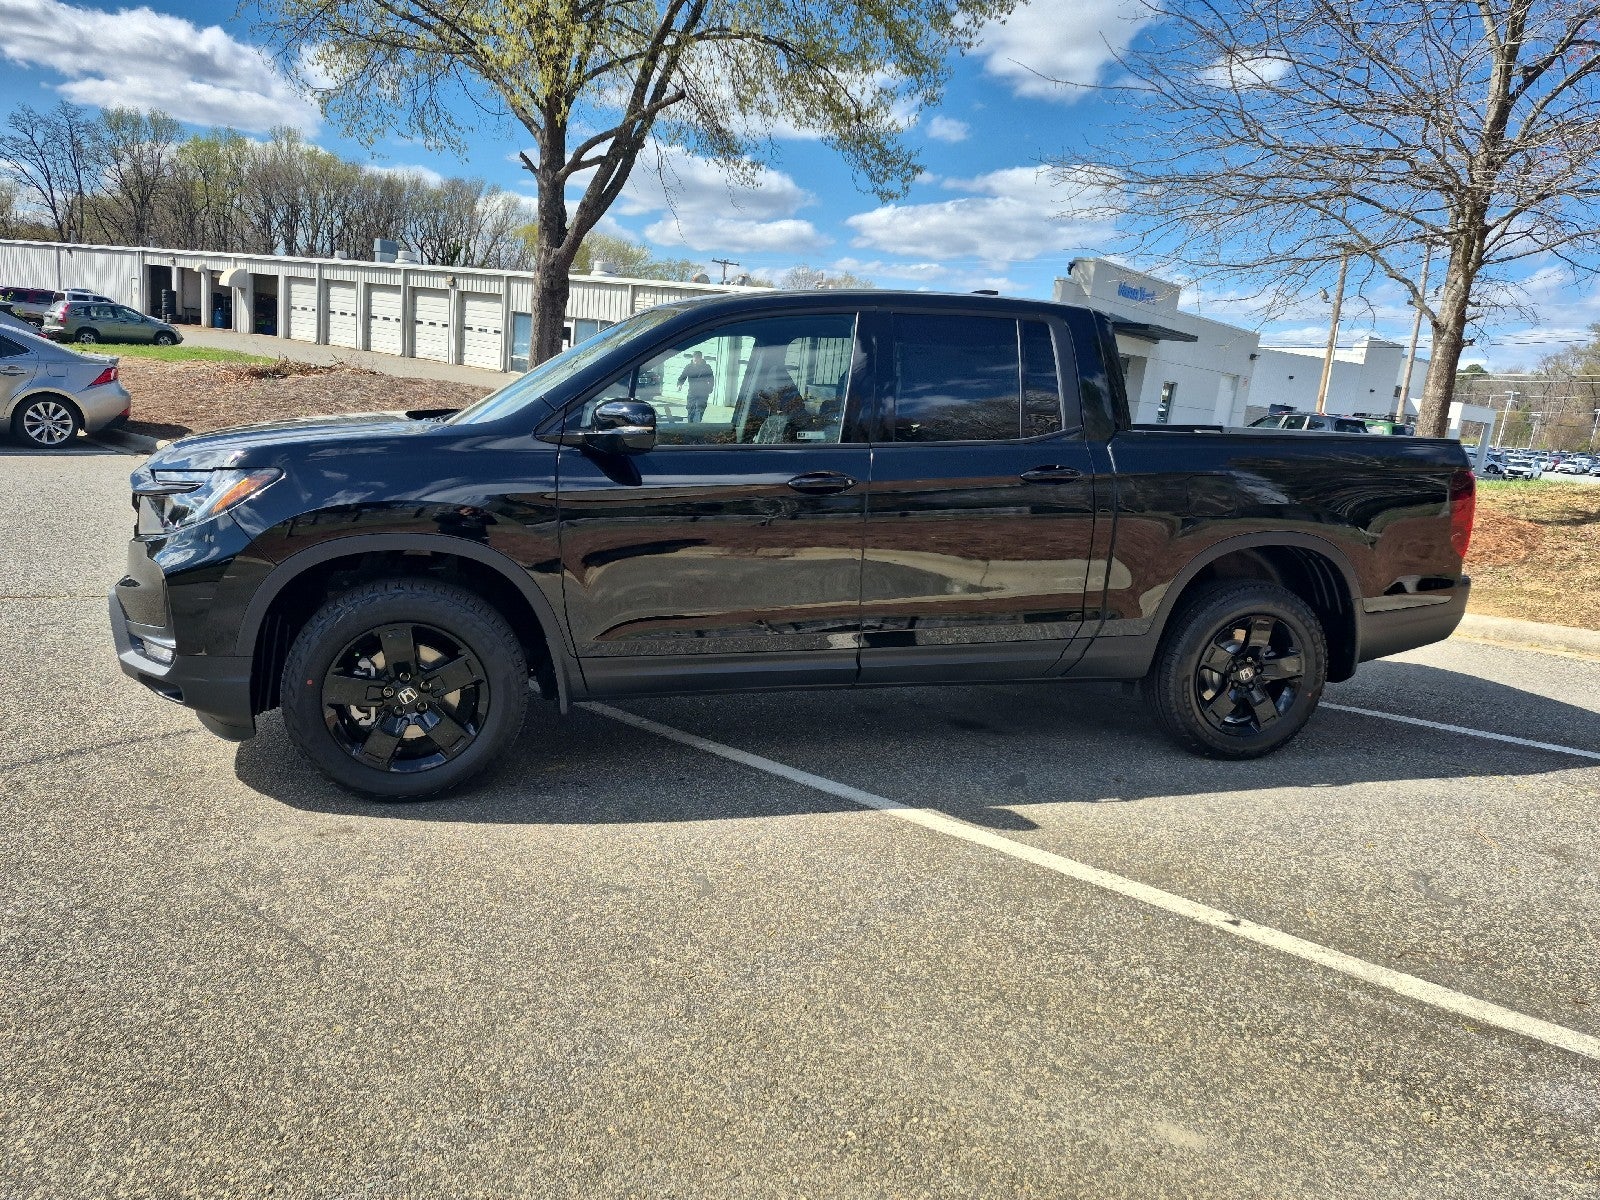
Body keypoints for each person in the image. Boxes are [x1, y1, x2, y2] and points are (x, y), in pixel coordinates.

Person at [676, 351, 715, 421]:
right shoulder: (689, 367)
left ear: (701, 358)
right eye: (695, 359)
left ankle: (697, 425)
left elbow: (711, 379)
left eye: (698, 359)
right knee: (690, 408)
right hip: (692, 391)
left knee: (700, 409)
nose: (696, 361)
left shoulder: (706, 367)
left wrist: (710, 388)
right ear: (693, 358)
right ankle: (690, 424)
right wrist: (680, 384)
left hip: (703, 392)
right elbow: (682, 377)